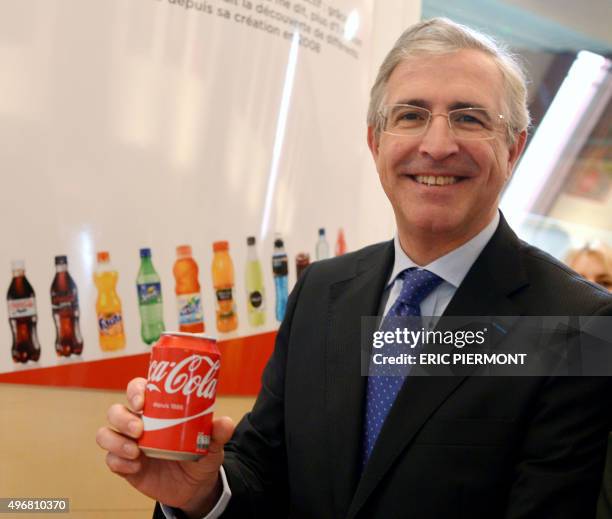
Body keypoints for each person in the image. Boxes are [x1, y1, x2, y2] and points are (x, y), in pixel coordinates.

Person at [97, 18, 612, 518]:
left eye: (469, 117)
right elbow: (263, 470)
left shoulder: (580, 324)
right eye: (411, 115)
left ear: (514, 149)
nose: (436, 145)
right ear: (375, 142)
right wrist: (202, 495)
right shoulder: (321, 292)